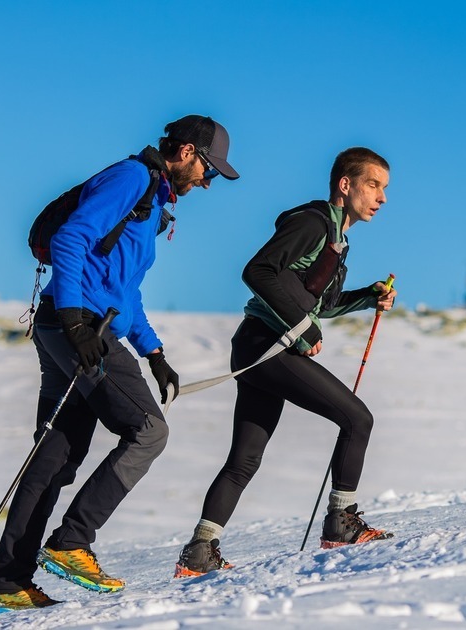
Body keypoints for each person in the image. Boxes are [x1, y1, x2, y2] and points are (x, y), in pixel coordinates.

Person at [0, 115, 240, 613]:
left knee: (55, 458)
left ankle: (9, 583)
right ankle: (71, 543)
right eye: (209, 169)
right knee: (149, 431)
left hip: (68, 327)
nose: (208, 182)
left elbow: (127, 292)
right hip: (77, 329)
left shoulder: (151, 201)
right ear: (187, 152)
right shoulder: (133, 179)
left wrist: (156, 353)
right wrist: (78, 321)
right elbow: (71, 239)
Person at [174, 147, 396, 577]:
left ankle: (200, 551)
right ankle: (341, 523)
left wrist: (368, 296)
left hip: (260, 345)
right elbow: (258, 271)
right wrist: (302, 328)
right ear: (344, 185)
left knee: (245, 459)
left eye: (384, 189)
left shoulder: (337, 239)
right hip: (267, 344)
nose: (382, 197)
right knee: (357, 419)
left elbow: (323, 304)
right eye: (373, 185)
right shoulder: (313, 223)